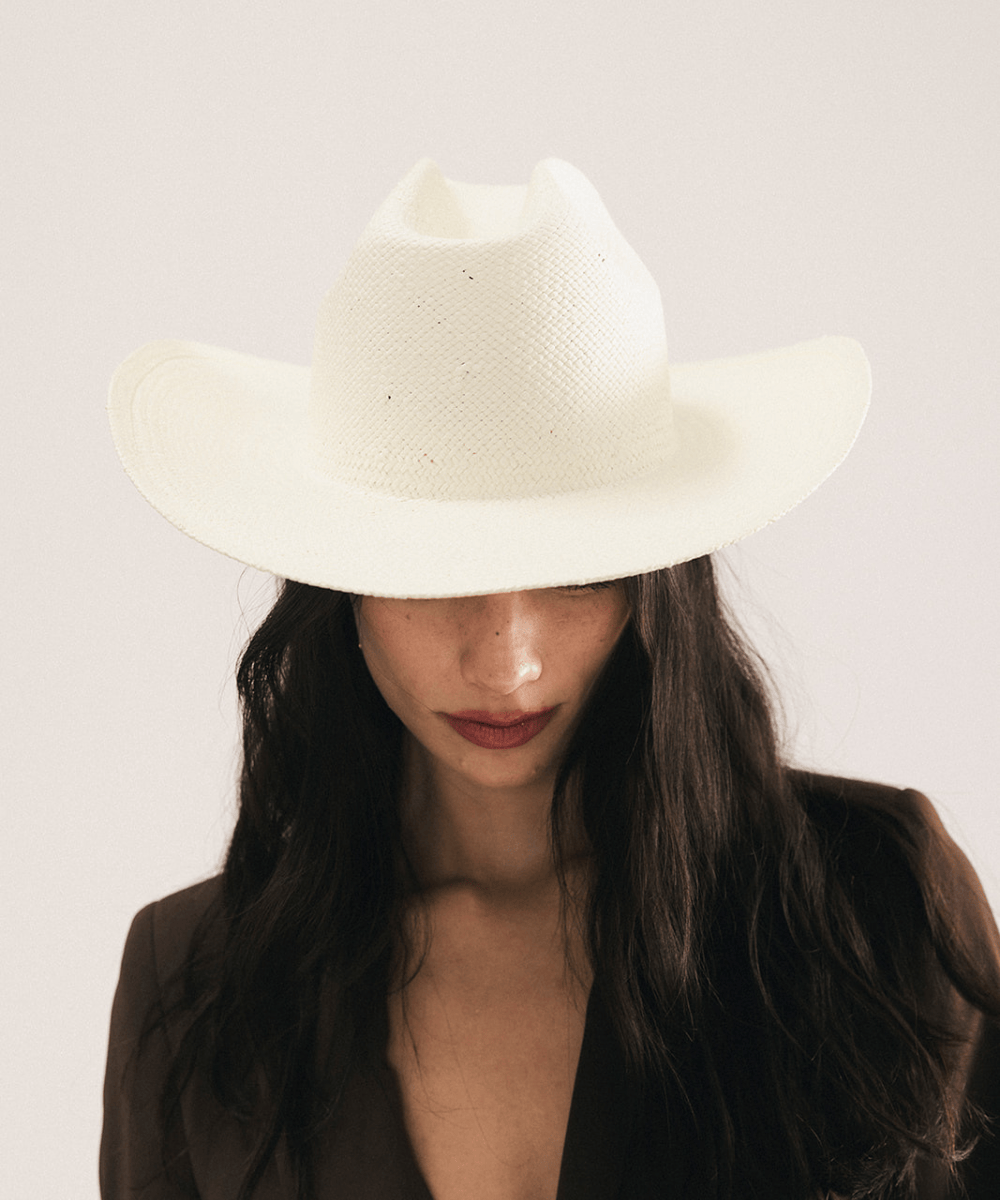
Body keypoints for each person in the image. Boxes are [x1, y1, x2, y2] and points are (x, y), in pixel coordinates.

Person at [101, 159, 1000, 1200]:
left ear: (657, 586)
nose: (507, 661)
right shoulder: (202, 980)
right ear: (339, 583)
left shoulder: (867, 909)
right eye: (436, 577)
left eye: (575, 575)